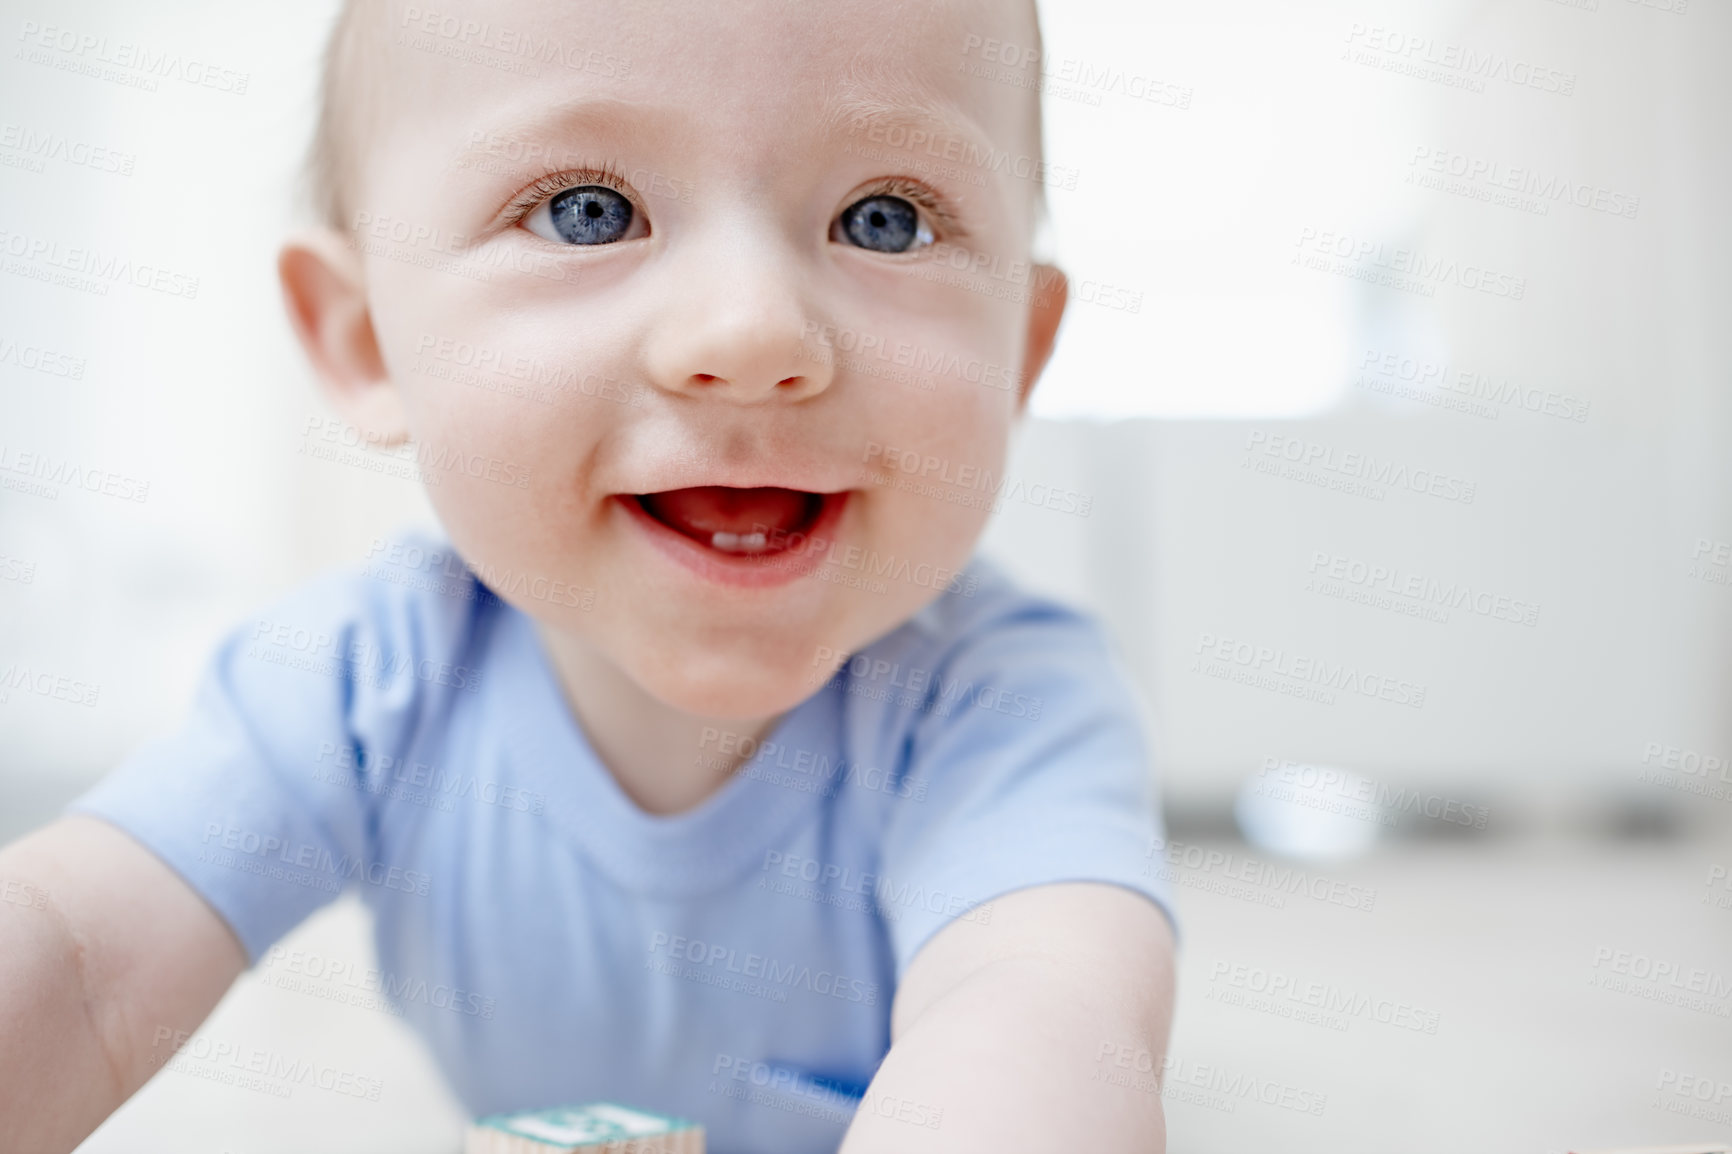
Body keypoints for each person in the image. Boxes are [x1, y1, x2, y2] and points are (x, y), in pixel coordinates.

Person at [0, 1, 1178, 1150]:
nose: (752, 334)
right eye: (586, 211)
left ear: (1019, 347)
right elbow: (79, 960)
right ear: (364, 337)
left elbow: (1045, 1021)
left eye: (883, 220)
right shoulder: (361, 679)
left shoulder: (1009, 703)